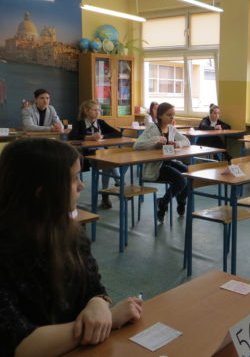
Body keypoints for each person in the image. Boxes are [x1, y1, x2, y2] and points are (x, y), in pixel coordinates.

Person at [0, 137, 143, 356]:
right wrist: (110, 319)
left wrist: (98, 304)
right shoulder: (7, 251)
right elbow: (21, 346)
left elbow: (95, 288)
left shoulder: (69, 231)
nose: (82, 186)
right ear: (41, 193)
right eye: (74, 178)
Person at [134, 102, 190, 223]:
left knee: (189, 173)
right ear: (160, 115)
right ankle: (163, 203)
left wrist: (176, 144)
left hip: (168, 161)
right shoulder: (152, 128)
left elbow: (186, 141)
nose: (172, 117)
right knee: (180, 179)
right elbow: (137, 145)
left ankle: (181, 201)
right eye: (168, 115)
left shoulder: (171, 128)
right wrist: (156, 139)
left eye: (173, 115)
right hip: (155, 166)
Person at [68, 100, 122, 209]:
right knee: (108, 162)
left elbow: (118, 133)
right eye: (94, 110)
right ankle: (119, 183)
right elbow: (72, 136)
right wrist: (88, 138)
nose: (98, 112)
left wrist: (102, 136)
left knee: (108, 164)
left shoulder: (100, 122)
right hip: (86, 155)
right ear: (86, 111)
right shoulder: (79, 123)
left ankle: (106, 195)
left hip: (101, 153)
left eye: (99, 110)